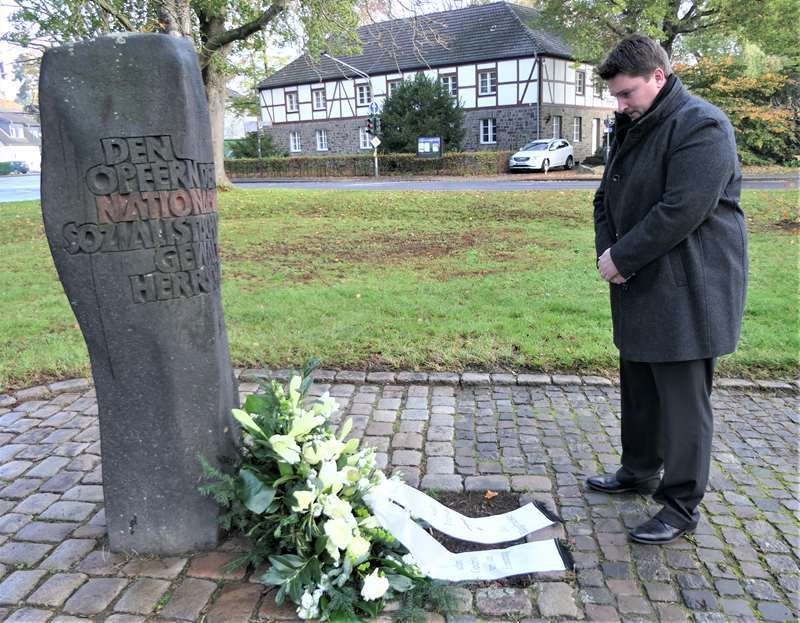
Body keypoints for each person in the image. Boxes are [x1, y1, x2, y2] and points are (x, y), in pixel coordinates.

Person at [588, 34, 748, 545]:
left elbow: (682, 210)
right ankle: (638, 469)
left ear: (660, 77)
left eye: (627, 93)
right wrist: (608, 253)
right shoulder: (634, 123)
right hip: (639, 279)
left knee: (682, 402)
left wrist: (621, 257)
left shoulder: (702, 125)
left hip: (688, 287)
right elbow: (604, 195)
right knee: (637, 385)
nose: (620, 103)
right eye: (615, 95)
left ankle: (679, 505)